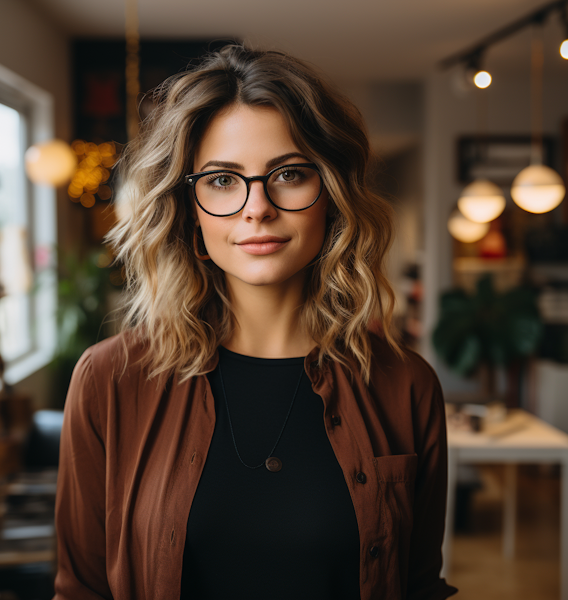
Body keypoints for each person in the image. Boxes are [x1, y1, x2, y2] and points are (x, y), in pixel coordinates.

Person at [53, 44, 458, 600]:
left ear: (332, 197)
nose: (257, 207)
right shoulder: (110, 379)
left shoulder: (404, 385)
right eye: (222, 180)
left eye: (288, 174)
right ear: (188, 208)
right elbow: (81, 590)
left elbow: (418, 587)